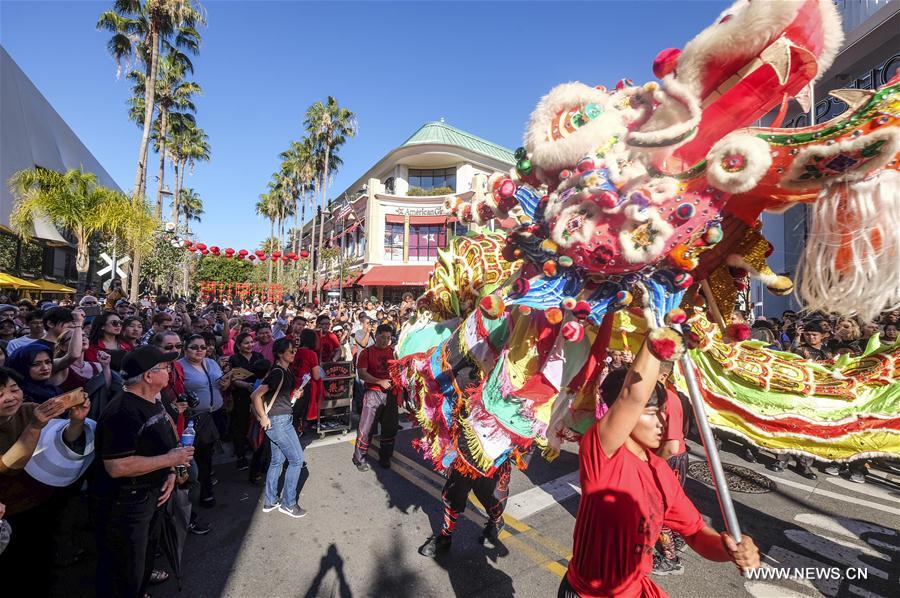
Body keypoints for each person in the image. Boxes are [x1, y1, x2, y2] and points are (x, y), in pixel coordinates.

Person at [559, 342, 759, 597]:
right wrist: (661, 335)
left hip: (636, 590)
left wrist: (730, 549)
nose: (662, 422)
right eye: (652, 413)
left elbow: (697, 533)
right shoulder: (603, 455)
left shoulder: (660, 472)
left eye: (664, 413)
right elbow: (632, 395)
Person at [90, 346, 193, 598]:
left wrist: (170, 471)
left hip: (153, 492)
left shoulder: (155, 399)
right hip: (128, 501)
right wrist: (170, 459)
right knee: (127, 563)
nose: (170, 371)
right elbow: (117, 466)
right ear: (148, 375)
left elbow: (164, 441)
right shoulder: (122, 412)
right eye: (165, 367)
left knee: (145, 552)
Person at [250, 338, 307, 518]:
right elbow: (255, 395)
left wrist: (294, 394)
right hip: (279, 422)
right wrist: (263, 417)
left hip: (280, 419)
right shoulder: (277, 373)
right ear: (280, 353)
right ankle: (288, 504)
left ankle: (271, 500)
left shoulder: (284, 371)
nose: (294, 353)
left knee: (277, 461)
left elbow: (277, 396)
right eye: (290, 351)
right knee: (297, 460)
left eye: (294, 350)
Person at [178, 334, 227, 508]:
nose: (199, 350)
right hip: (194, 418)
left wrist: (225, 383)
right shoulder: (179, 366)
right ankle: (198, 493)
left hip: (215, 413)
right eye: (194, 347)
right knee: (196, 456)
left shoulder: (212, 363)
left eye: (203, 347)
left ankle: (205, 487)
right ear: (185, 349)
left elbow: (219, 385)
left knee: (207, 454)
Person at [353, 324, 399, 471]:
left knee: (390, 427)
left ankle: (385, 456)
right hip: (373, 393)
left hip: (390, 394)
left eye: (388, 338)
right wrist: (379, 381)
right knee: (367, 428)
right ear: (376, 335)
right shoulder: (366, 352)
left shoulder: (393, 352)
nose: (385, 341)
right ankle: (359, 458)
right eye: (382, 337)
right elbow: (362, 373)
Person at [229, 332, 266, 471]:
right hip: (241, 397)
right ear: (239, 346)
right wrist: (246, 385)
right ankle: (240, 456)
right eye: (246, 343)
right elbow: (232, 378)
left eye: (251, 342)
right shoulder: (234, 359)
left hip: (258, 396)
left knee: (257, 423)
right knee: (241, 425)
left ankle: (255, 448)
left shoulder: (258, 356)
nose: (250, 345)